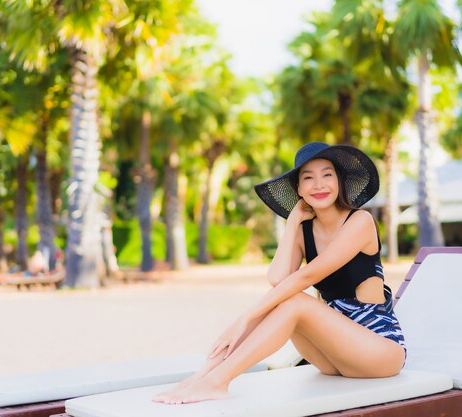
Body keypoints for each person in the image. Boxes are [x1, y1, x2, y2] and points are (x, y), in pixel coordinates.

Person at [153, 141, 406, 405]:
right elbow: (277, 279)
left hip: (379, 351)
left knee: (294, 299)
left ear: (340, 181)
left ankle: (218, 382)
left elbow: (305, 278)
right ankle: (203, 376)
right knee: (282, 297)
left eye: (327, 175)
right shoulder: (304, 230)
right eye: (308, 178)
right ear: (299, 188)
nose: (318, 184)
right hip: (335, 359)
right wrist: (293, 221)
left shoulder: (360, 222)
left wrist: (243, 318)